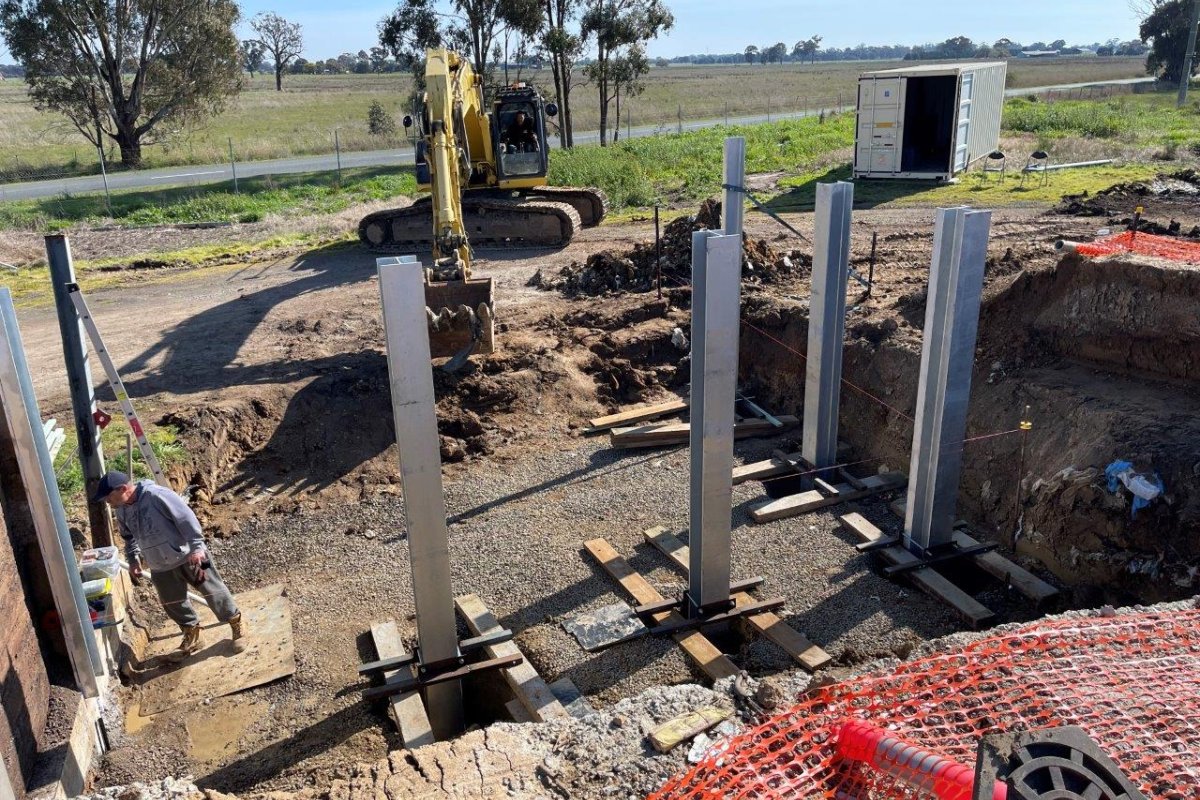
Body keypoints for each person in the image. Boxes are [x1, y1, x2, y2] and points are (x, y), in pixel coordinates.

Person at [94, 471, 244, 659]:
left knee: (215, 590)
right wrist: (133, 560)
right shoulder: (122, 509)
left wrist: (198, 548)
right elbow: (128, 537)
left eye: (109, 496)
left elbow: (187, 519)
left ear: (123, 489)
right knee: (172, 603)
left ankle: (236, 624)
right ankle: (193, 635)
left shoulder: (157, 496)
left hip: (192, 556)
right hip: (160, 565)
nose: (107, 501)